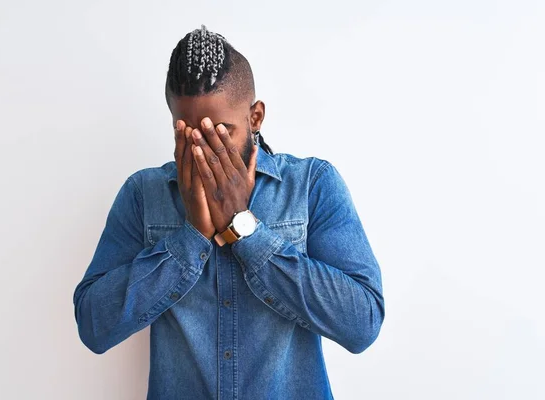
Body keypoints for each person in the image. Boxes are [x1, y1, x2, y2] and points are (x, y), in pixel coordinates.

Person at [72, 24, 385, 400]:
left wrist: (245, 229)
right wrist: (191, 238)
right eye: (187, 134)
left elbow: (362, 324)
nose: (204, 151)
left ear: (255, 117)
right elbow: (94, 326)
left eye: (221, 133)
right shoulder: (143, 194)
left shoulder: (311, 185)